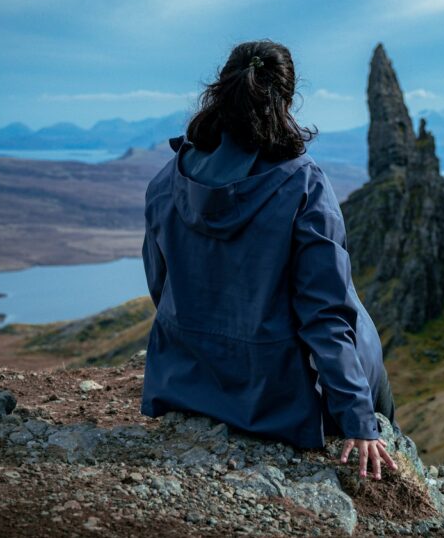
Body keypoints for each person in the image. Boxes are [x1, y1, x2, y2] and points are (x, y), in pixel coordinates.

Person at [140, 39, 399, 480]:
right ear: (287, 100)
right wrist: (359, 420)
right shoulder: (303, 184)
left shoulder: (168, 179)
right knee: (361, 327)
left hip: (184, 381)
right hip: (276, 399)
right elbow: (324, 313)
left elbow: (160, 287)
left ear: (220, 91)